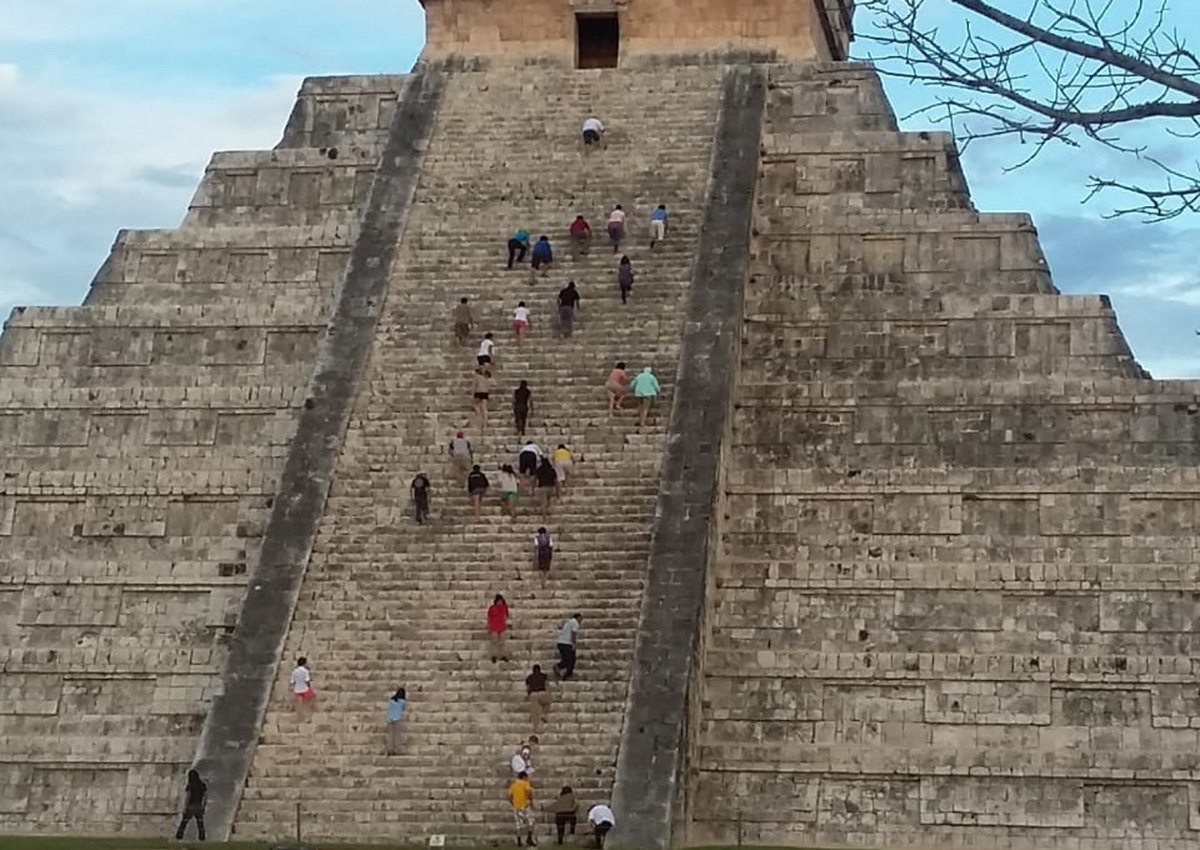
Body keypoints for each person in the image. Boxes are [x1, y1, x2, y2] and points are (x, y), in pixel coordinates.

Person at [174, 768, 207, 841]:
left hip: (191, 806)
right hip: (199, 806)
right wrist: (203, 806)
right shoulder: (202, 785)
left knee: (184, 822)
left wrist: (185, 806)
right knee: (200, 823)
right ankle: (202, 837)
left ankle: (179, 836)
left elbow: (188, 796)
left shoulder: (190, 785)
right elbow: (205, 796)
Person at [510, 771, 537, 847]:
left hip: (516, 807)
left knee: (518, 824)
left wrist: (513, 803)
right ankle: (529, 838)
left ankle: (519, 841)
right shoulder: (525, 783)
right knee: (531, 821)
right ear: (524, 777)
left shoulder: (514, 785)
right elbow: (528, 792)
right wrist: (528, 800)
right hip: (524, 806)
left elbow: (509, 795)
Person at [526, 664, 552, 734]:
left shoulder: (529, 677)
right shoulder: (544, 676)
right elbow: (547, 685)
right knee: (548, 702)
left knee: (534, 713)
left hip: (533, 694)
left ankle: (535, 729)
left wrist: (528, 695)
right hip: (542, 693)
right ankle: (543, 714)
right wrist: (549, 694)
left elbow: (528, 688)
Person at [554, 614, 580, 680]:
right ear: (578, 617)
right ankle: (567, 674)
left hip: (561, 643)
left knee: (567, 659)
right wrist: (574, 644)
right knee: (571, 660)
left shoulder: (568, 622)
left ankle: (559, 668)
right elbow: (573, 634)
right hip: (567, 643)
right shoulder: (575, 623)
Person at [385, 687, 407, 755]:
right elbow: (403, 709)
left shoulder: (391, 700)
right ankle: (397, 750)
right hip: (397, 719)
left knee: (390, 735)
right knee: (397, 736)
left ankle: (390, 750)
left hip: (389, 718)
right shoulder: (402, 702)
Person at [488, 594, 510, 662]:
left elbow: (506, 616)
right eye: (498, 601)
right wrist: (489, 627)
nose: (499, 603)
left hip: (502, 627)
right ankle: (494, 656)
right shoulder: (492, 608)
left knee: (502, 643)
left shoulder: (504, 607)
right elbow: (489, 617)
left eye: (501, 601)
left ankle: (502, 655)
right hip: (494, 627)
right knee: (494, 643)